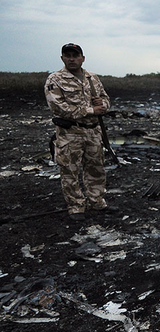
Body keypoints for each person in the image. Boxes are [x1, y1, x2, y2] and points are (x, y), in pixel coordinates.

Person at [44, 43, 112, 221]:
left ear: (83, 58)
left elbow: (105, 99)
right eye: (68, 56)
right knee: (70, 171)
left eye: (75, 55)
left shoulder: (93, 78)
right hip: (70, 132)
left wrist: (102, 105)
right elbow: (58, 107)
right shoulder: (55, 79)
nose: (71, 59)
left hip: (93, 132)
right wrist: (91, 111)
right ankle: (76, 207)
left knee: (96, 168)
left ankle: (96, 202)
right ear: (62, 58)